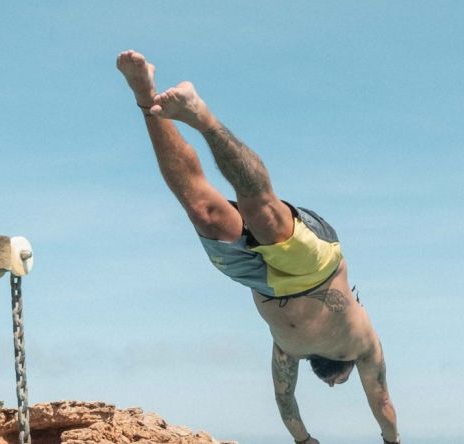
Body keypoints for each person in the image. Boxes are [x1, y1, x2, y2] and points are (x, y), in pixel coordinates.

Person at [116, 50, 400, 444]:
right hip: (317, 269)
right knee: (262, 215)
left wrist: (303, 440)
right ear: (346, 370)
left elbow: (286, 404)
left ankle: (147, 100)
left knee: (202, 211)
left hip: (261, 278)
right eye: (339, 381)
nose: (334, 385)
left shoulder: (287, 352)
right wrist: (392, 441)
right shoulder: (364, 345)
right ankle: (204, 118)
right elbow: (381, 400)